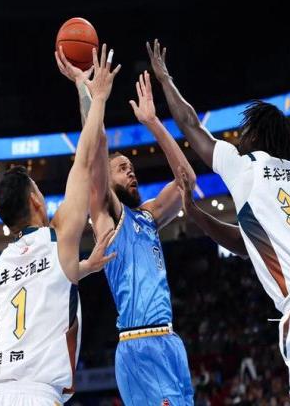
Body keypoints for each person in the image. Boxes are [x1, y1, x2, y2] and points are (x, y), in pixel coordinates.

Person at [148, 39, 290, 406]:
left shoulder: (246, 167)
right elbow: (248, 244)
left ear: (254, 136)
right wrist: (198, 215)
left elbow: (191, 125)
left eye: (243, 132)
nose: (237, 138)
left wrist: (165, 79)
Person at [0, 45, 120, 406]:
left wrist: (82, 268)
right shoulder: (59, 237)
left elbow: (41, 285)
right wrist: (94, 94)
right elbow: (85, 159)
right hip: (36, 394)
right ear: (35, 200)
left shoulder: (3, 266)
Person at [56, 48, 196, 405]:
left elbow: (187, 182)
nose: (130, 172)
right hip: (140, 344)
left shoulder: (148, 216)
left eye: (131, 168)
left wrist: (153, 123)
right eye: (122, 169)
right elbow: (95, 147)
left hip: (169, 341)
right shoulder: (108, 214)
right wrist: (86, 90)